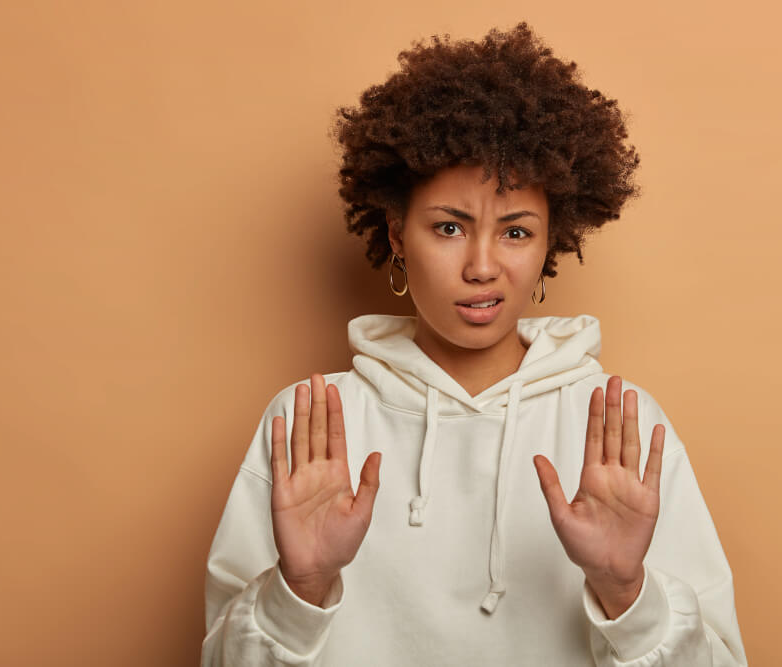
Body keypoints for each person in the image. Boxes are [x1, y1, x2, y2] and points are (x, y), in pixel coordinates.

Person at [201, 22, 748, 666]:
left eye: (516, 233)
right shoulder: (311, 423)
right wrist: (302, 589)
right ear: (398, 233)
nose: (482, 266)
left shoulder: (619, 423)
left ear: (552, 243)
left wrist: (626, 591)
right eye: (450, 227)